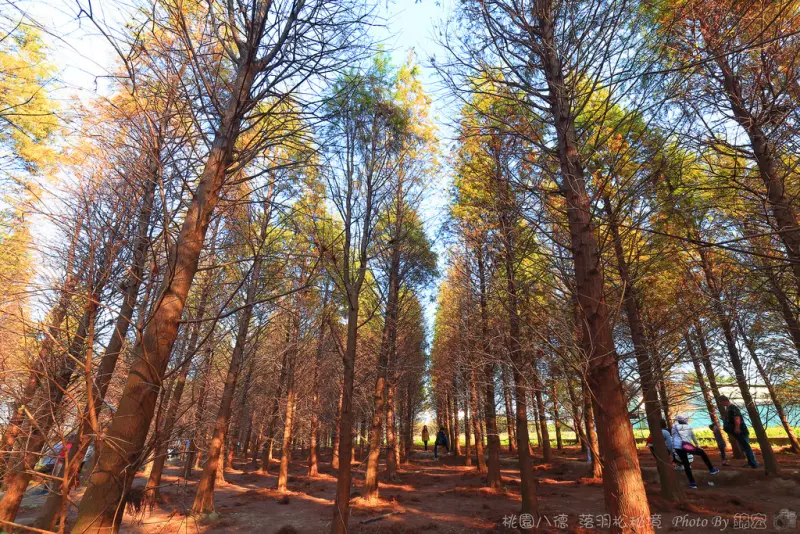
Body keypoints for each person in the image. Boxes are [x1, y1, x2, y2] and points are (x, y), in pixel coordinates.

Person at [671, 414, 719, 488]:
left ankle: (692, 483)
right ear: (685, 420)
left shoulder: (674, 427)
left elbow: (673, 437)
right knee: (702, 453)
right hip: (686, 446)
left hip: (678, 447)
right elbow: (693, 436)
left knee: (686, 463)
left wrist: (674, 448)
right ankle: (711, 469)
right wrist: (697, 445)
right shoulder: (688, 427)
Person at [719, 395, 759, 468]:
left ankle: (754, 463)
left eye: (721, 402)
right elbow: (731, 420)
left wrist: (737, 428)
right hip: (735, 431)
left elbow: (737, 418)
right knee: (744, 447)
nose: (721, 404)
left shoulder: (733, 408)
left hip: (741, 431)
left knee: (746, 447)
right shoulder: (728, 409)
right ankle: (750, 462)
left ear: (724, 401)